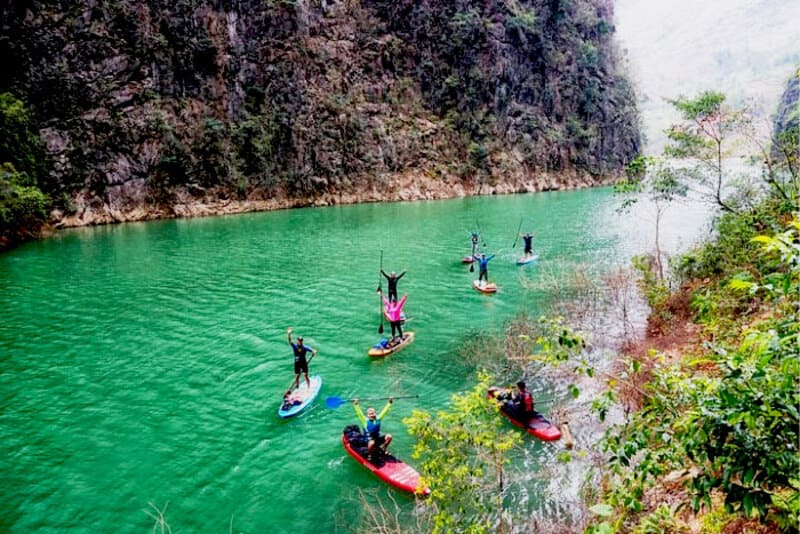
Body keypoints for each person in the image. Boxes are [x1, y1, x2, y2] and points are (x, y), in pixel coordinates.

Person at [286, 327, 316, 394]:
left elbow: (312, 350)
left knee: (305, 375)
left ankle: (309, 388)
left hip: (303, 363)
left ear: (302, 341)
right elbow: (289, 341)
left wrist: (314, 351)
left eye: (301, 340)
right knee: (296, 377)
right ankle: (297, 387)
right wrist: (288, 334)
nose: (300, 341)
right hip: (297, 363)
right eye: (299, 340)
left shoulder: (305, 347)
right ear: (297, 341)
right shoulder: (295, 346)